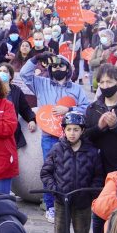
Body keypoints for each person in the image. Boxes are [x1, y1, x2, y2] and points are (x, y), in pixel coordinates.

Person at [20, 52, 90, 222]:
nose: (58, 68)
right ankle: (50, 206)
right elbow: (24, 74)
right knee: (49, 170)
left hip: (71, 136)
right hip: (49, 136)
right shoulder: (41, 83)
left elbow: (87, 107)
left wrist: (69, 110)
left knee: (70, 169)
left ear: (68, 68)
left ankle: (69, 202)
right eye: (55, 66)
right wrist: (35, 59)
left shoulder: (76, 88)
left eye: (61, 65)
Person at [40, 110, 105, 233]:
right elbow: (46, 173)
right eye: (69, 129)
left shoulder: (91, 152)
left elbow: (98, 176)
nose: (72, 133)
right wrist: (55, 190)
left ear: (82, 131)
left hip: (82, 203)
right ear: (64, 130)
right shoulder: (57, 149)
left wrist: (90, 192)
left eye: (76, 129)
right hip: (62, 201)